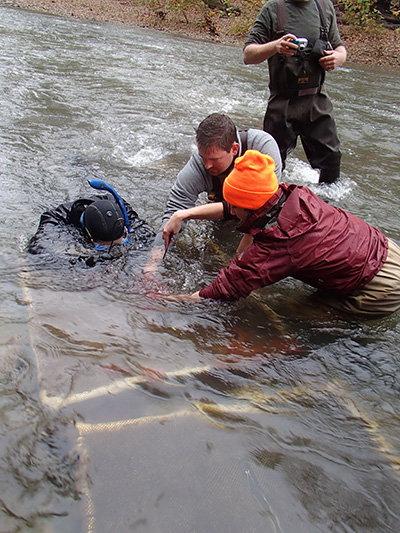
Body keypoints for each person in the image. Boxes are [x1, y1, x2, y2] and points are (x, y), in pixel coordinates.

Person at [172, 150, 400, 319]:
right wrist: (182, 215)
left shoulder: (282, 238)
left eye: (233, 204)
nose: (229, 209)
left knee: (287, 312)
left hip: (380, 287)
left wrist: (169, 303)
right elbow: (247, 221)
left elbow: (222, 291)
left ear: (248, 206)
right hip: (387, 250)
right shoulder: (290, 195)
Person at [146, 113, 282, 270]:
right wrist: (154, 262)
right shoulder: (199, 165)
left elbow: (263, 211)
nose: (207, 166)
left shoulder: (262, 147)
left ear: (234, 149)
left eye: (215, 160)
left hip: (264, 215)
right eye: (203, 158)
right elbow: (174, 212)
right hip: (225, 215)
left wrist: (235, 264)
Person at [243, 0, 347, 184]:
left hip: (317, 101)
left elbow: (340, 48)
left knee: (332, 163)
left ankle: (327, 208)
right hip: (282, 103)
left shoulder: (324, 7)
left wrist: (337, 58)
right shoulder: (273, 9)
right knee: (270, 166)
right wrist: (275, 46)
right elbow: (248, 55)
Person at [28, 180, 155, 267]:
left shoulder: (122, 208)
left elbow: (149, 235)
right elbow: (38, 253)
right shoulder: (55, 222)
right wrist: (84, 262)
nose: (118, 249)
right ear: (88, 235)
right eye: (102, 246)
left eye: (124, 240)